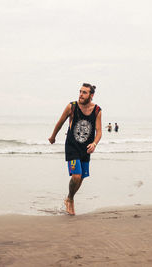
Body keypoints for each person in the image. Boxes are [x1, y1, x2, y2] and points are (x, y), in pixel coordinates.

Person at [48, 83, 102, 215]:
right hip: (72, 146)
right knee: (76, 176)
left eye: (84, 92)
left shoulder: (97, 111)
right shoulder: (72, 107)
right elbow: (60, 122)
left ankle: (69, 197)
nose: (81, 95)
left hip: (86, 149)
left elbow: (99, 131)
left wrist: (94, 143)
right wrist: (53, 136)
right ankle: (70, 199)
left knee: (81, 177)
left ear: (91, 95)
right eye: (80, 92)